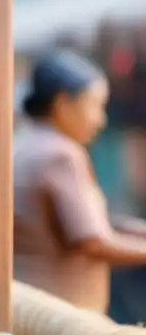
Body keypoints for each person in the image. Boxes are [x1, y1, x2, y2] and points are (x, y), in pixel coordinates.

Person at [14, 48, 146, 313]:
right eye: (95, 105)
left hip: (29, 306)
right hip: (58, 316)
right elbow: (91, 241)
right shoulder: (61, 154)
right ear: (63, 103)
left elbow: (76, 226)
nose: (101, 120)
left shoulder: (24, 142)